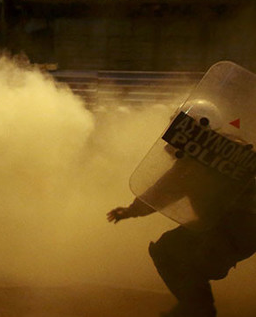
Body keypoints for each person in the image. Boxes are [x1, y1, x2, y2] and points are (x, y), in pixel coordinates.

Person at [108, 100, 256, 317]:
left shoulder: (216, 156)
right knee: (175, 250)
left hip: (236, 226)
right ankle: (197, 307)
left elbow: (165, 190)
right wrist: (132, 210)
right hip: (224, 225)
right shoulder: (223, 152)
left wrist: (131, 211)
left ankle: (198, 309)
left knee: (170, 252)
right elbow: (167, 189)